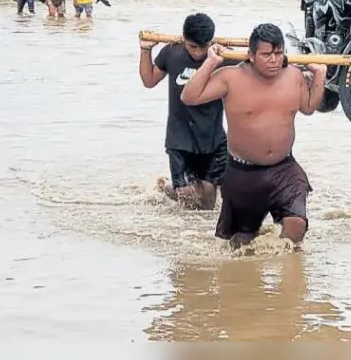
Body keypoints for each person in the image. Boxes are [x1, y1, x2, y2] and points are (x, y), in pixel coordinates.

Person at [181, 23, 327, 248]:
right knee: (241, 244)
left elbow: (308, 107)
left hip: (284, 168)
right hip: (243, 172)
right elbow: (189, 97)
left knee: (297, 225)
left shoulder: (294, 75)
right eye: (266, 55)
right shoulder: (230, 77)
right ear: (251, 55)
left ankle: (285, 266)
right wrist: (211, 62)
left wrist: (320, 76)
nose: (274, 60)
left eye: (278, 53)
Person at [139, 14, 228, 210]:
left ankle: (204, 228)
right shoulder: (172, 52)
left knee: (207, 198)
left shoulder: (224, 59)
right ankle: (167, 188)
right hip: (180, 137)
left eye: (202, 47)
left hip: (213, 137)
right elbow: (149, 80)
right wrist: (145, 49)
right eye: (192, 46)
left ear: (210, 41)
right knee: (187, 196)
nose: (197, 52)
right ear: (184, 39)